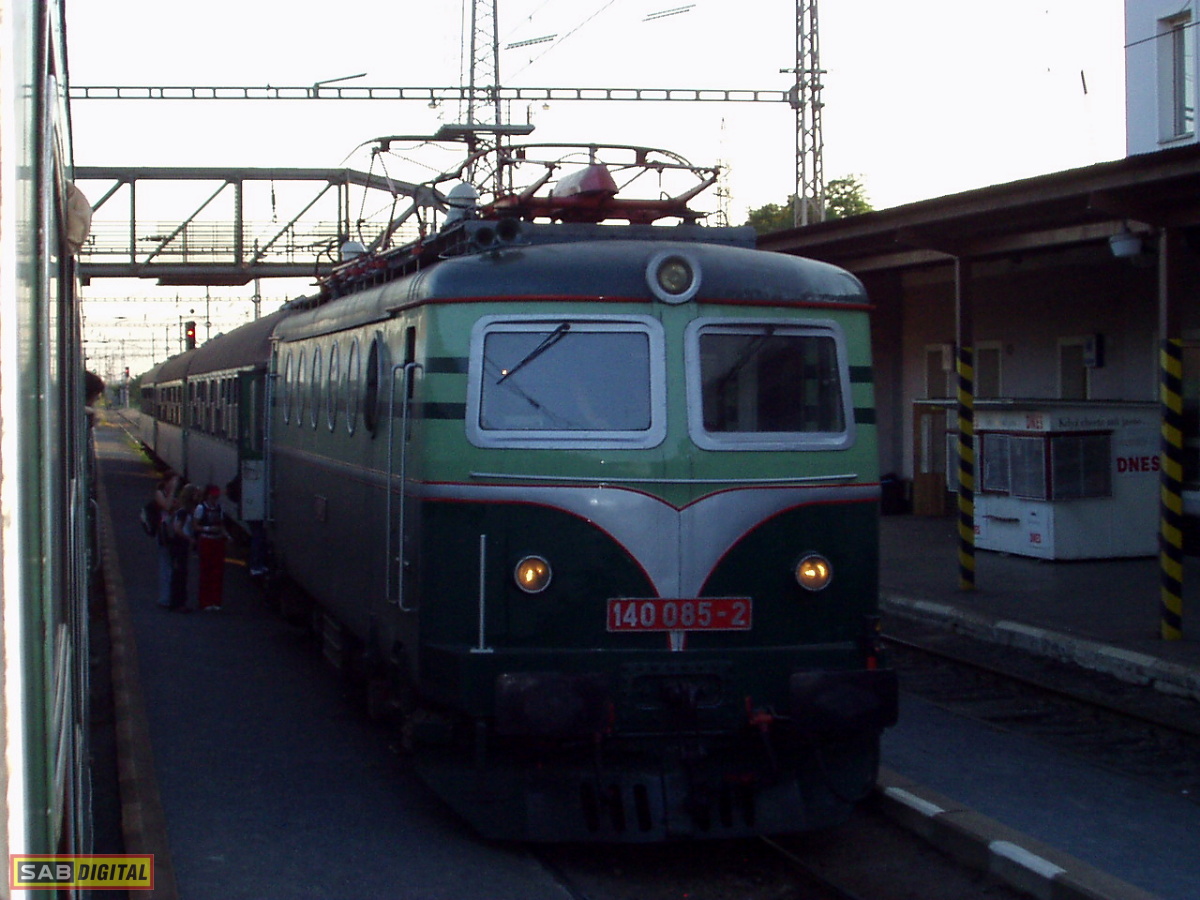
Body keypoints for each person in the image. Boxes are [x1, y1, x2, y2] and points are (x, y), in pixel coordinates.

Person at [193, 484, 229, 611]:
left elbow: (222, 524)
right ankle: (205, 601)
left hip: (217, 540)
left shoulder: (219, 508)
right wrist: (208, 528)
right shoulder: (201, 508)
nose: (215, 499)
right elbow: (195, 525)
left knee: (218, 571)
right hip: (206, 539)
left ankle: (216, 600)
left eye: (216, 497)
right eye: (213, 497)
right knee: (206, 570)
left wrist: (226, 535)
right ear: (208, 496)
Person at [168, 484, 200, 611]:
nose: (198, 496)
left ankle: (177, 601)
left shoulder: (184, 511)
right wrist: (190, 539)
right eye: (195, 494)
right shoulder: (184, 512)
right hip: (180, 544)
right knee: (180, 574)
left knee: (180, 573)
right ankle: (179, 602)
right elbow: (178, 529)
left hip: (180, 544)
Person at [154, 472, 182, 608]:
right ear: (167, 481)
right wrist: (172, 492)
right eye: (173, 481)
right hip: (163, 533)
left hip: (173, 533)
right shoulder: (159, 493)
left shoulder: (175, 495)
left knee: (173, 567)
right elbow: (167, 506)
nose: (175, 484)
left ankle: (172, 597)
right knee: (165, 566)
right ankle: (164, 598)